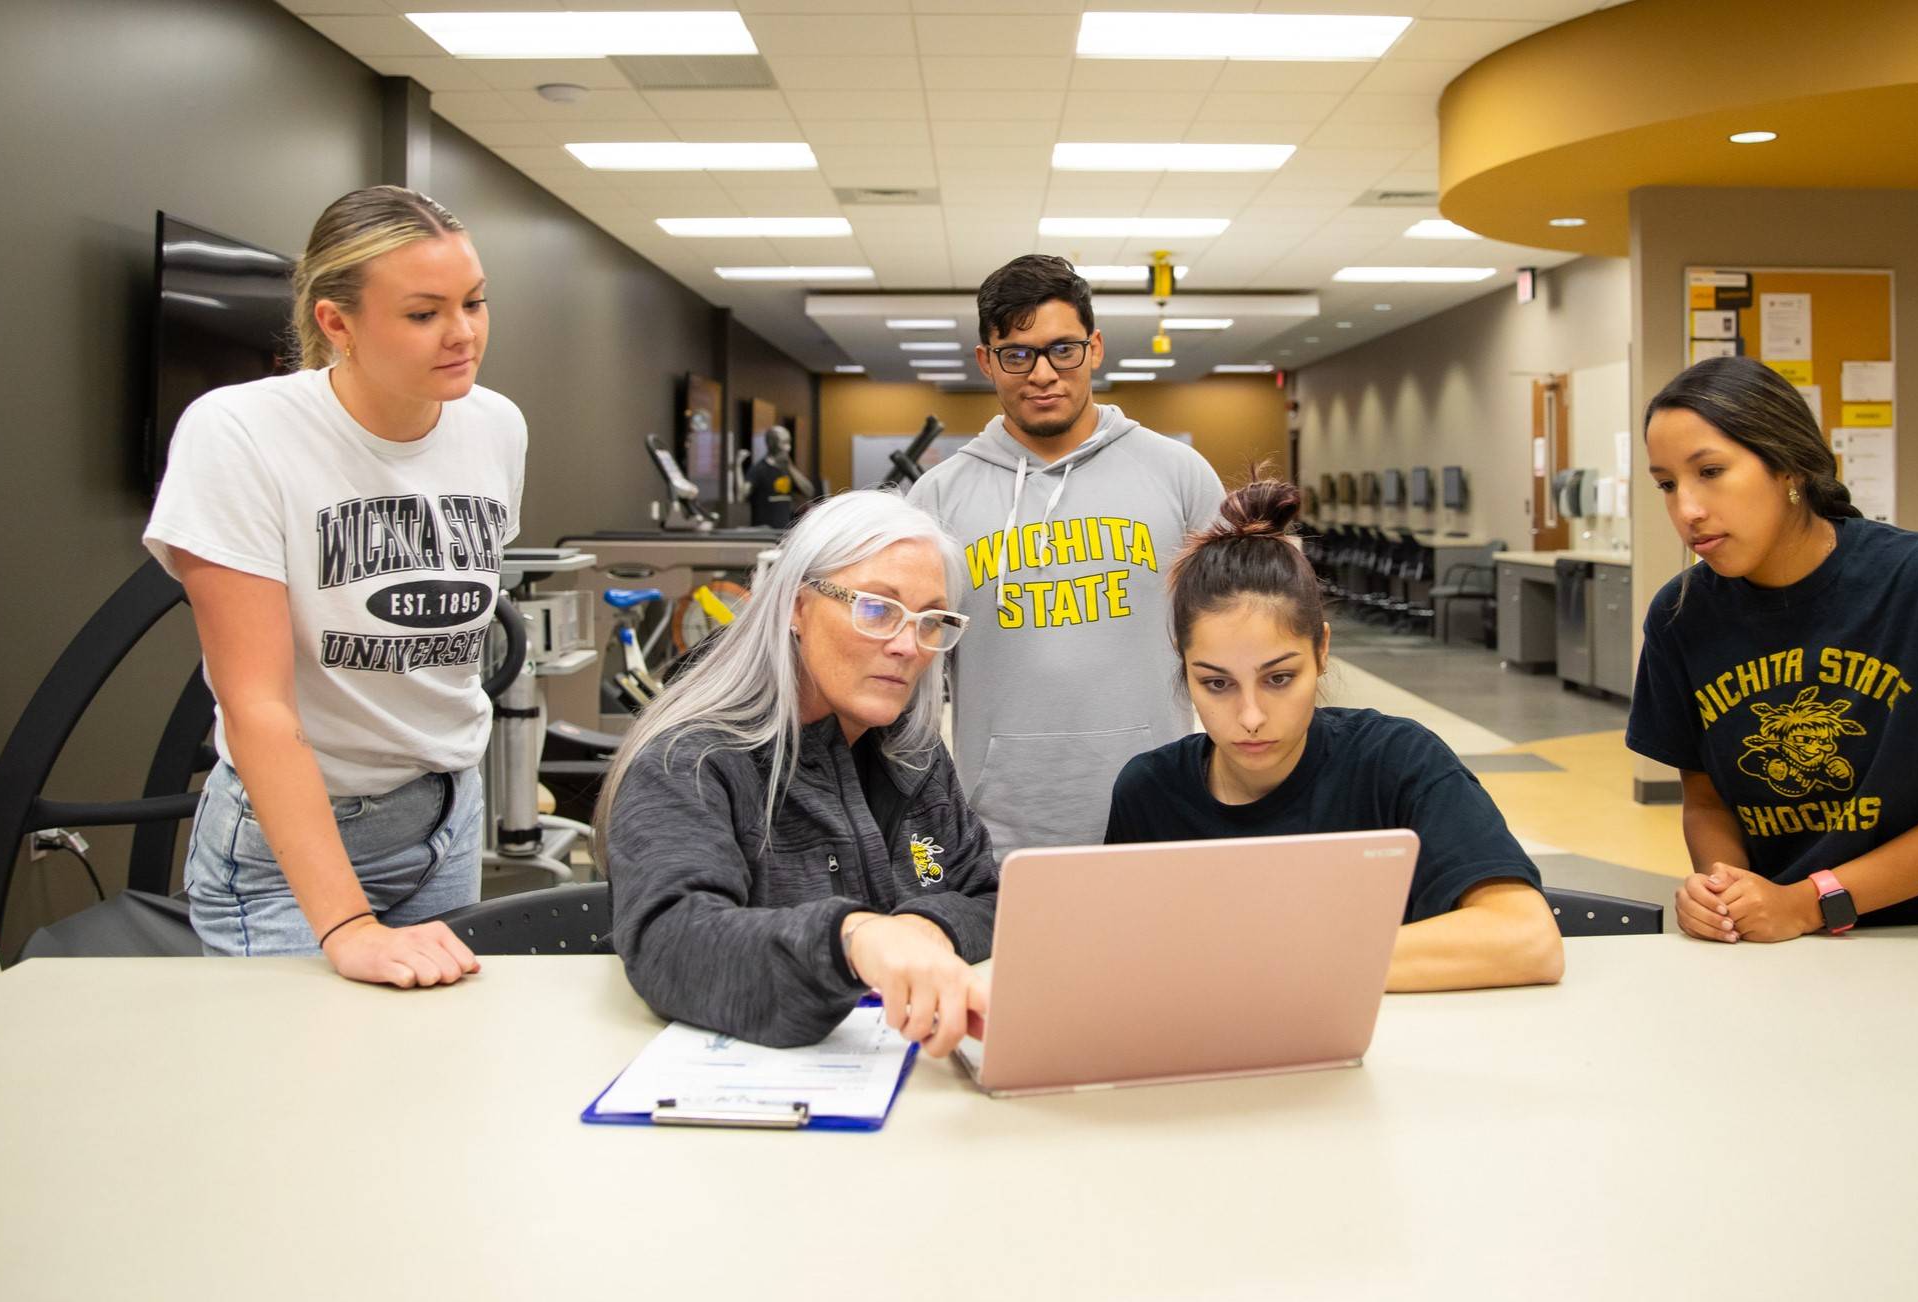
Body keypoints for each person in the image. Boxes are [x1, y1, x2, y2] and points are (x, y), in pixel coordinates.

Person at [144, 185, 525, 986]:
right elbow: (256, 706)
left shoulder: (494, 425)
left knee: (426, 1084)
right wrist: (347, 923)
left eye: (475, 303)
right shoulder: (239, 432)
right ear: (335, 322)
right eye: (424, 313)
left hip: (448, 814)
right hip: (296, 847)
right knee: (299, 1099)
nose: (462, 334)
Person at [1627, 356, 1918, 941]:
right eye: (1667, 485)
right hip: (1779, 947)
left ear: (1788, 467)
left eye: (1711, 471)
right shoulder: (1681, 616)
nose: (1687, 510)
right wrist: (1725, 893)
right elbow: (1705, 803)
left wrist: (1810, 902)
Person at [1104, 479, 1563, 992]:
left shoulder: (1396, 762)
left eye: (1279, 678)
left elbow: (1527, 938)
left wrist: (1275, 962)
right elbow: (1124, 965)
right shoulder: (1149, 793)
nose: (1251, 716)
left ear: (1322, 651)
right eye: (1216, 683)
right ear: (1183, 665)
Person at [599, 490, 997, 1057]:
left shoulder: (913, 755)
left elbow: (983, 895)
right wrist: (852, 941)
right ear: (796, 605)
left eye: (931, 620)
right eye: (877, 609)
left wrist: (922, 930)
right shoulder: (689, 761)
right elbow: (670, 939)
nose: (909, 646)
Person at [908, 254, 1225, 856]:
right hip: (999, 826)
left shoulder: (1180, 475)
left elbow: (1241, 642)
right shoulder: (938, 497)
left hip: (1161, 809)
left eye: (1063, 350)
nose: (1043, 373)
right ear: (987, 361)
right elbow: (912, 673)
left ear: (1095, 348)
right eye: (1017, 354)